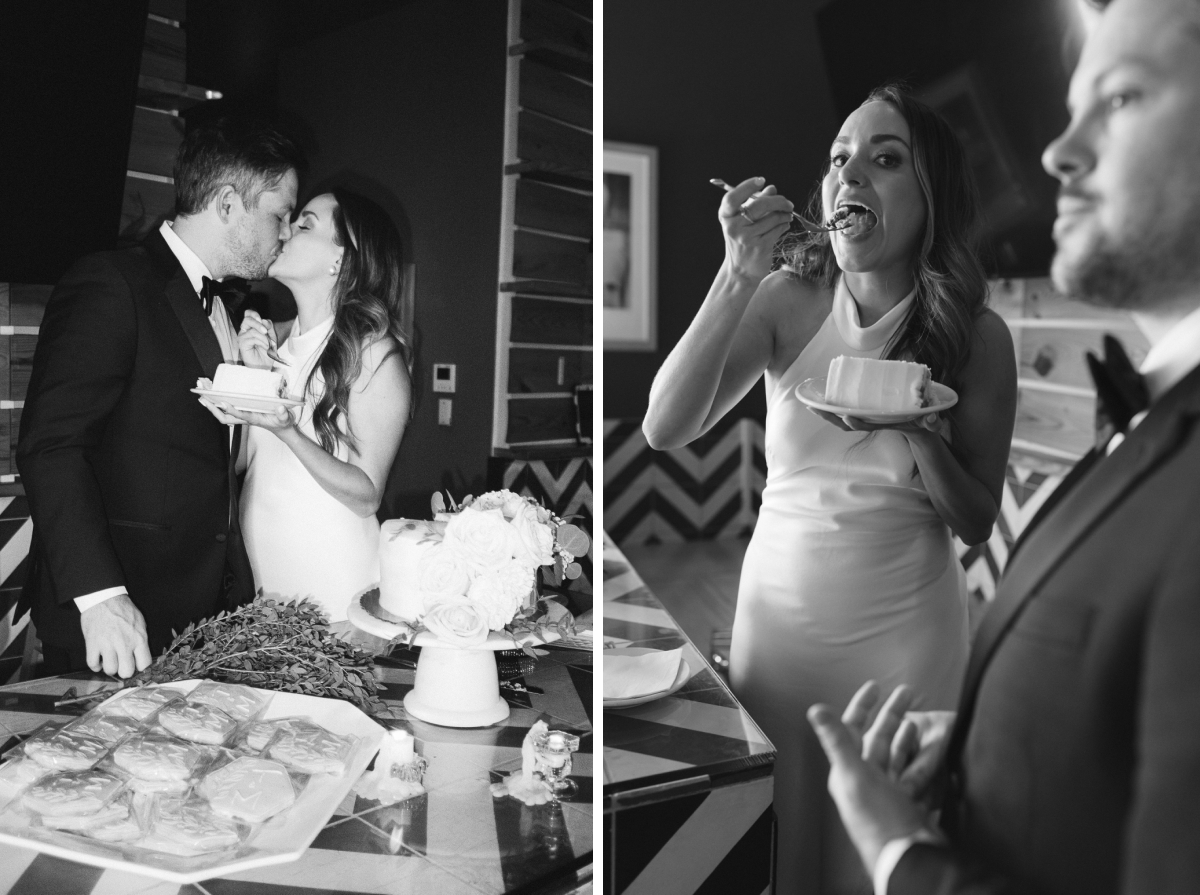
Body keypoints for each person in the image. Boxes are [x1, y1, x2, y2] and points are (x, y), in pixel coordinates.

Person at [807, 1, 1200, 893]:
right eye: (1073, 105)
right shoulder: (1152, 423)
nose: (1057, 150)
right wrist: (978, 745)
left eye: (1124, 96)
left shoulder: (979, 341)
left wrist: (899, 851)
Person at [642, 86, 1018, 894]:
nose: (852, 172)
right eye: (841, 156)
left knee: (875, 857)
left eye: (886, 159)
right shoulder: (786, 298)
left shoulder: (977, 336)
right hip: (779, 629)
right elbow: (664, 427)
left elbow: (978, 518)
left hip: (908, 640)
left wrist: (917, 427)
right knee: (771, 848)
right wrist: (737, 272)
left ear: (932, 198)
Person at [16, 118, 303, 678]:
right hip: (121, 614)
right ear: (227, 204)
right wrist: (100, 596)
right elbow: (51, 445)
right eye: (279, 214)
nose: (287, 232)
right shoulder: (111, 282)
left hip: (204, 610)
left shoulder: (227, 307)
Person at [201, 188, 412, 632]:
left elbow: (367, 493)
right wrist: (251, 379)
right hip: (260, 568)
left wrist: (289, 430)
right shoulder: (267, 339)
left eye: (305, 224)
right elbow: (244, 462)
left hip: (332, 576)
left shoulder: (372, 355)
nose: (285, 230)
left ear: (341, 259)